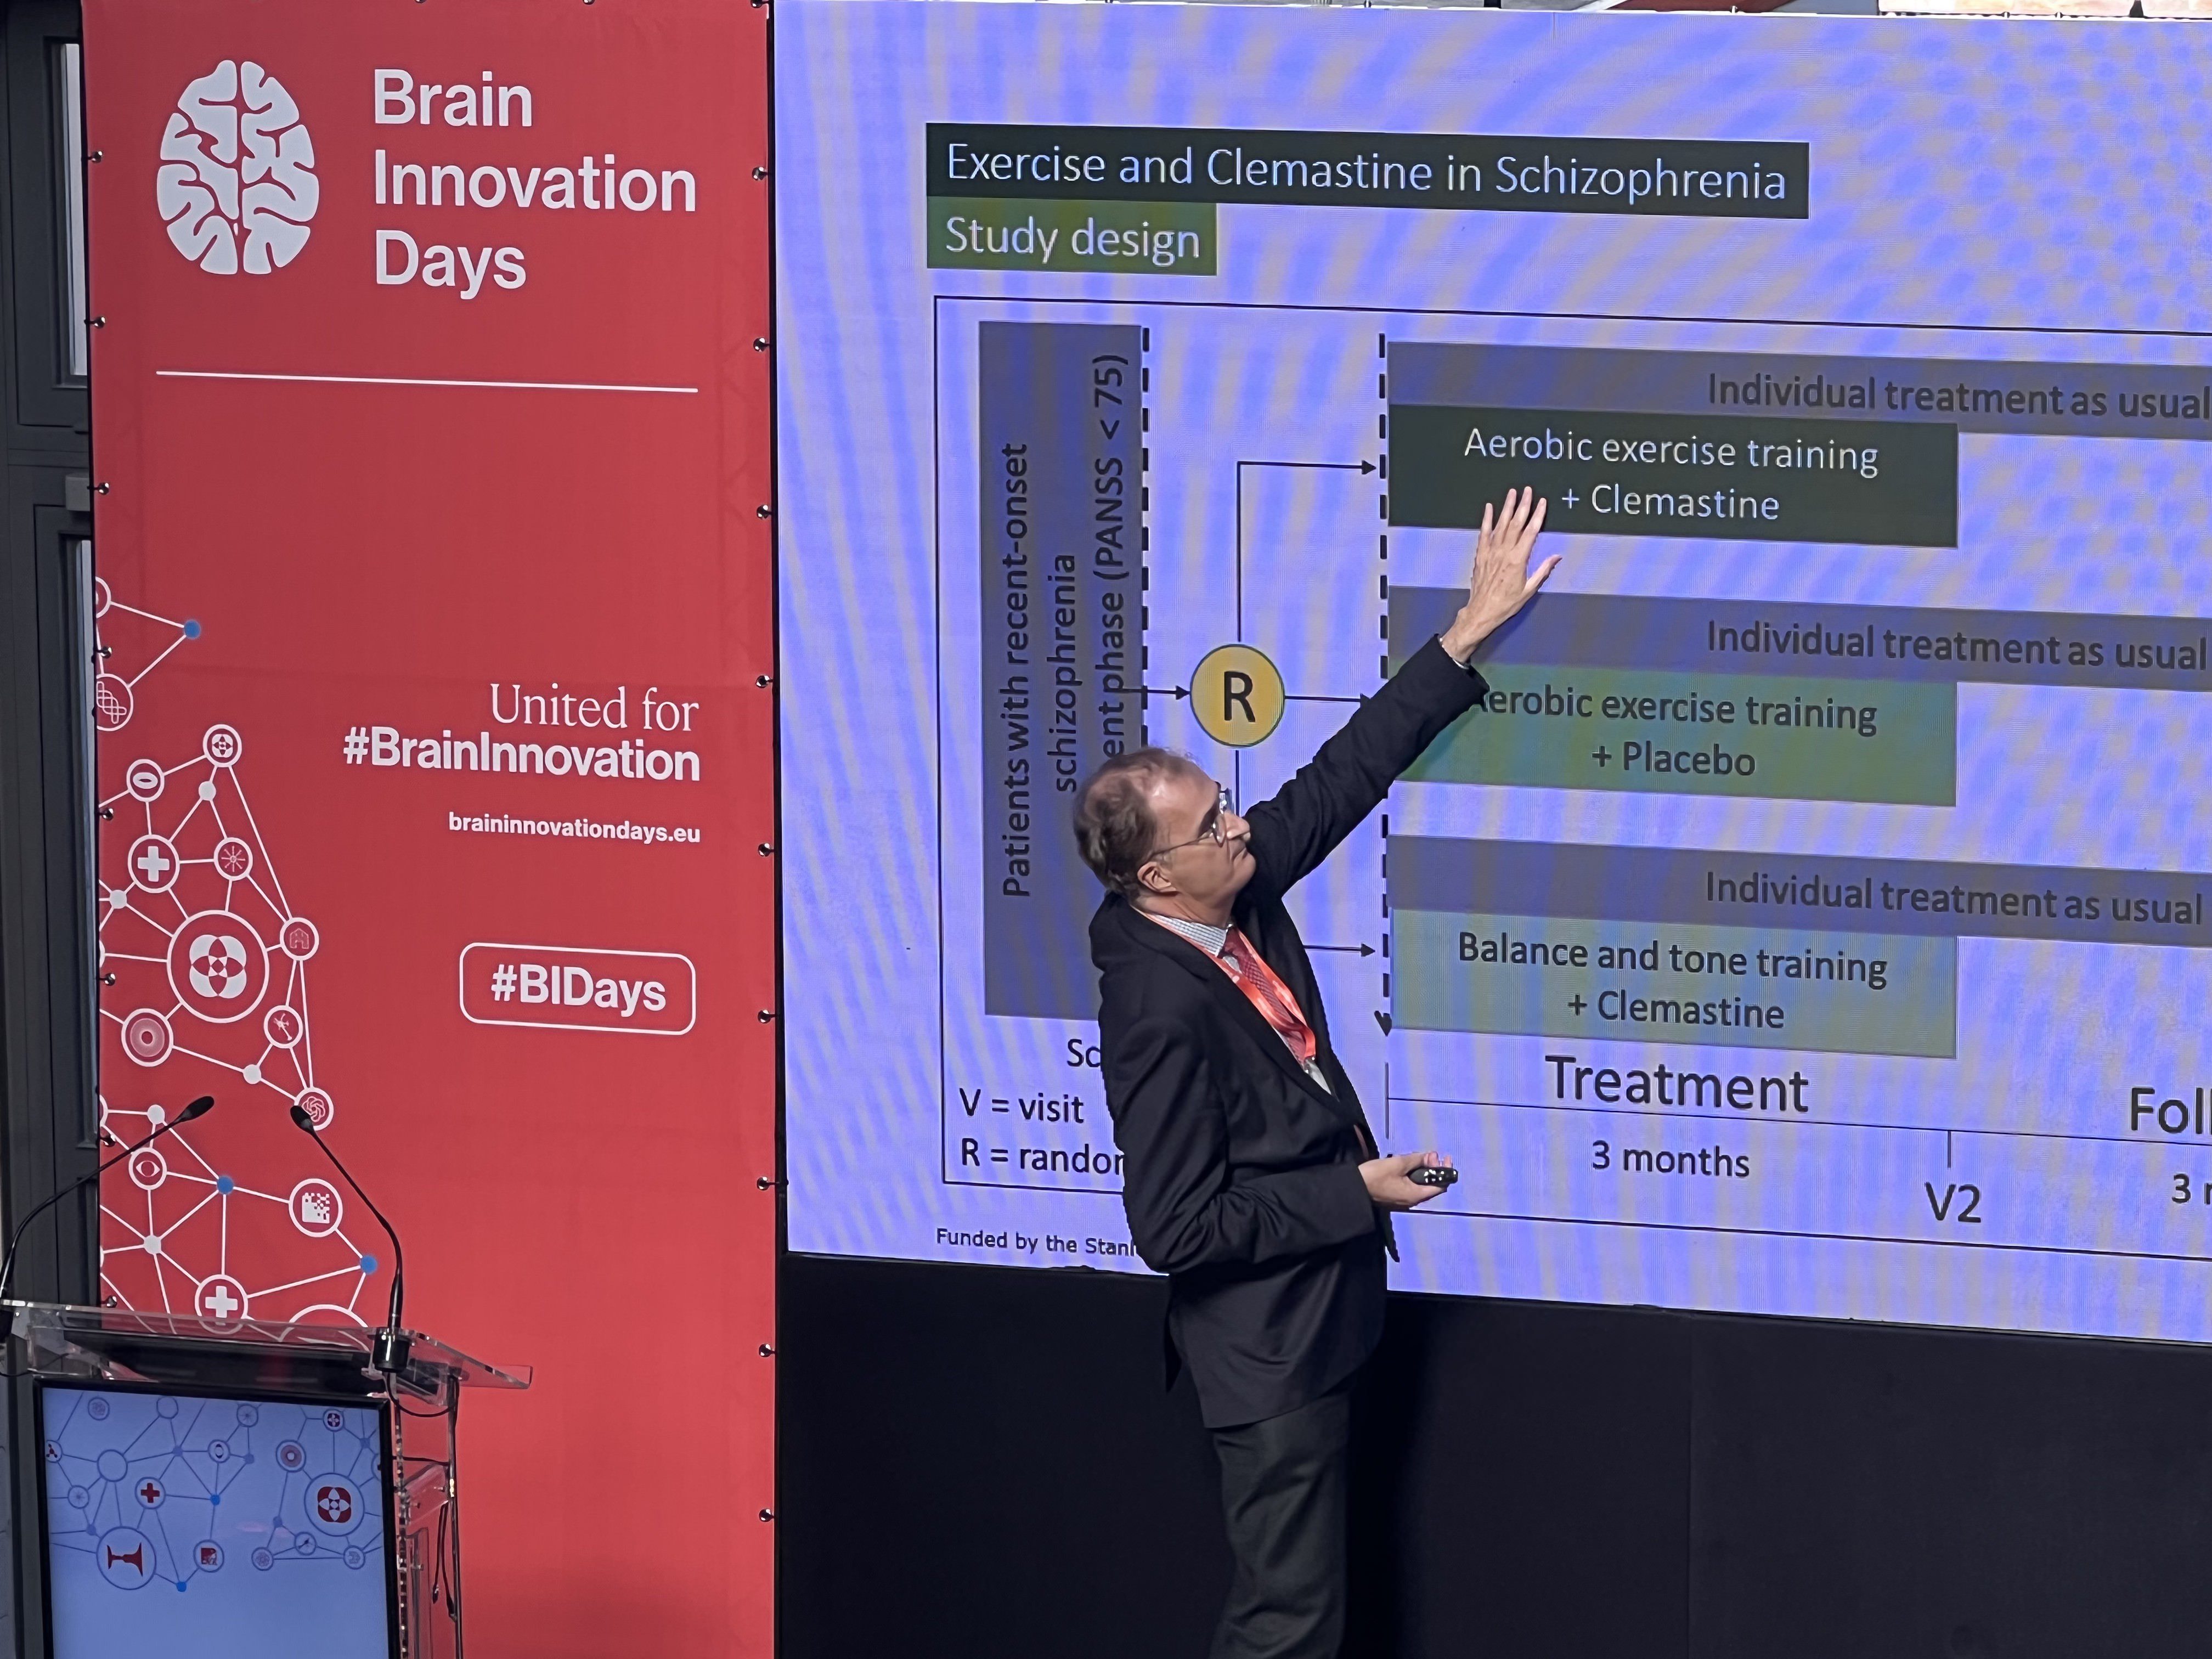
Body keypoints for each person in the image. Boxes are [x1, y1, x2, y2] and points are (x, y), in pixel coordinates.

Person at [1071, 488, 1555, 1658]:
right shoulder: (1154, 1006)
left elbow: (1342, 777)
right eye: (1211, 826)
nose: (1240, 827)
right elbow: (1176, 1230)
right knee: (1288, 1627)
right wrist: (1357, 1192)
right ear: (1156, 879)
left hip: (1326, 1324)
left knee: (1321, 1611)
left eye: (1227, 806)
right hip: (1269, 1360)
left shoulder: (1229, 888)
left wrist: (1466, 633)